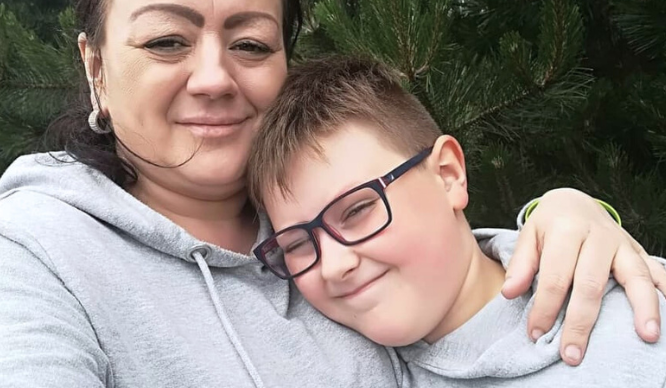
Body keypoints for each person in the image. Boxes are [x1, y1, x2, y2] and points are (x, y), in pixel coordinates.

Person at [0, 0, 664, 386]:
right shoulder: (35, 252)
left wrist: (567, 216)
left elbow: (450, 263)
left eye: (250, 43)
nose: (214, 78)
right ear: (96, 67)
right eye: (166, 41)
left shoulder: (306, 217)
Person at [248, 56, 666, 387]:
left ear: (448, 175)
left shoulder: (633, 325)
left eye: (357, 210)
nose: (334, 266)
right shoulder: (342, 362)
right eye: (297, 244)